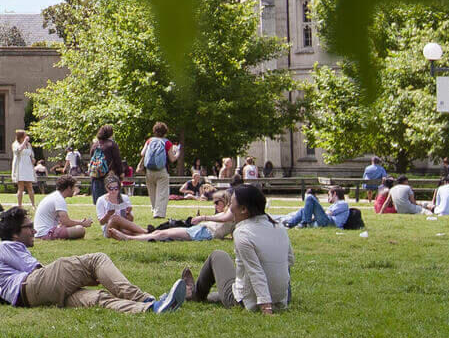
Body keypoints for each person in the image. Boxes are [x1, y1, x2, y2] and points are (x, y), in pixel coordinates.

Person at [0, 207, 188, 314]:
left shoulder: (10, 250)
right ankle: (145, 298)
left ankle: (152, 309)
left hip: (32, 299)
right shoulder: (5, 247)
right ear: (15, 235)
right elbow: (37, 273)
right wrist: (84, 276)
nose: (34, 230)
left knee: (97, 299)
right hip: (32, 287)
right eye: (29, 226)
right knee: (96, 260)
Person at [190, 182, 293, 313]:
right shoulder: (279, 227)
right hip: (281, 298)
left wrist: (266, 307)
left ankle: (195, 294)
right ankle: (202, 295)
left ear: (243, 209)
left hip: (251, 302)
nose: (229, 209)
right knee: (226, 289)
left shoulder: (243, 233)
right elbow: (289, 261)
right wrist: (280, 297)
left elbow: (255, 272)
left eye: (231, 204)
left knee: (218, 255)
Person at [139, 122, 177, 219]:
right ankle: (159, 213)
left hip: (149, 170)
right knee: (162, 192)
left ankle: (154, 210)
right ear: (165, 132)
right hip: (161, 170)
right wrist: (178, 153)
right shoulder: (167, 142)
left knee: (152, 192)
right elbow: (172, 159)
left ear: (154, 131)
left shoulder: (150, 141)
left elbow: (142, 153)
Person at [281, 183, 350, 229]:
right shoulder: (334, 205)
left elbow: (328, 213)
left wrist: (313, 216)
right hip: (327, 221)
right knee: (303, 210)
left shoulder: (343, 203)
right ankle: (289, 224)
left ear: (334, 194)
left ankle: (304, 223)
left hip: (332, 223)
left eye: (329, 195)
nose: (328, 197)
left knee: (310, 197)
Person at [88, 125, 123, 205]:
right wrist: (121, 173)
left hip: (96, 175)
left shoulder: (95, 145)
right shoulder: (112, 145)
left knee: (99, 201)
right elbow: (117, 160)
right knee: (112, 199)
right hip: (109, 175)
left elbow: (92, 159)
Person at [11, 129, 37, 209]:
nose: (26, 137)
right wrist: (24, 142)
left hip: (28, 166)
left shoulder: (28, 145)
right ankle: (19, 205)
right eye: (25, 135)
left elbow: (31, 154)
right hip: (20, 167)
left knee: (29, 186)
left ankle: (33, 205)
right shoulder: (15, 144)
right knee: (21, 187)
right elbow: (18, 151)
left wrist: (33, 159)